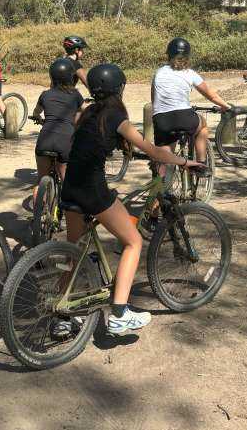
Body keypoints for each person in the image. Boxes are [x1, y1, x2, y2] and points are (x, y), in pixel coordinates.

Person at [61, 63, 202, 337]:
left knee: (73, 252)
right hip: (92, 190)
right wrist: (185, 162)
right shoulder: (116, 117)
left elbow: (90, 145)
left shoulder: (86, 113)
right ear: (119, 89)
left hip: (71, 187)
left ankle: (61, 309)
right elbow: (153, 150)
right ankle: (120, 313)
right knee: (133, 241)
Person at [151, 38, 231, 164]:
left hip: (161, 119)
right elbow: (211, 96)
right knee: (203, 126)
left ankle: (162, 178)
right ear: (187, 56)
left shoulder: (158, 73)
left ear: (169, 55)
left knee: (165, 158)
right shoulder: (190, 73)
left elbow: (154, 99)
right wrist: (226, 106)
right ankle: (200, 163)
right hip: (184, 117)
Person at [31, 58, 85, 189]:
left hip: (44, 140)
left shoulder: (45, 95)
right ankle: (67, 206)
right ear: (71, 77)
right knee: (66, 181)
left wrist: (38, 118)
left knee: (40, 180)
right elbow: (85, 110)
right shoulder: (75, 95)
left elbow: (36, 113)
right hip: (65, 141)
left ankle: (39, 208)